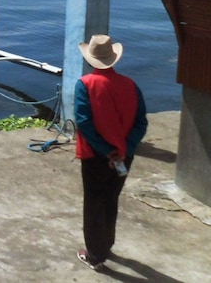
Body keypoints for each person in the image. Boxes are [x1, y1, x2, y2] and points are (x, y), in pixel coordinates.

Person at [74, 34, 148, 271]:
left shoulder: (84, 84)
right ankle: (107, 243)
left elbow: (84, 123)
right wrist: (124, 149)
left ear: (90, 60)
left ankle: (95, 255)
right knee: (110, 199)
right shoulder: (130, 85)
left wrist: (107, 151)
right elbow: (141, 123)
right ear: (113, 59)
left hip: (96, 156)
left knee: (94, 203)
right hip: (124, 155)